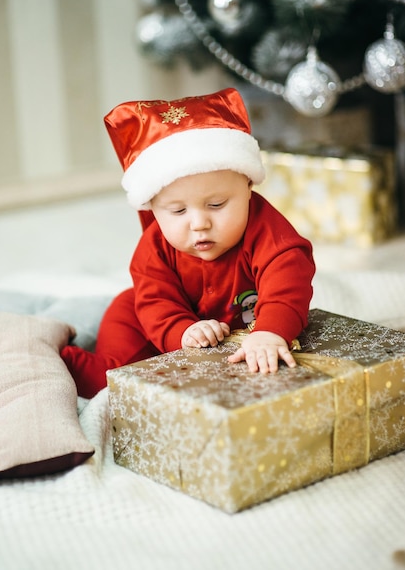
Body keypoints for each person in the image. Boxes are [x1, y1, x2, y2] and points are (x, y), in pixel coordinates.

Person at [61, 87, 315, 398]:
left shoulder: (265, 229)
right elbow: (155, 302)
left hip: (223, 333)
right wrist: (183, 331)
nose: (199, 223)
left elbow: (288, 280)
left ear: (248, 186)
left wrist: (270, 331)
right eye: (178, 210)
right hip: (145, 319)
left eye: (217, 204)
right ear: (152, 207)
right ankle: (51, 359)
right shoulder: (154, 248)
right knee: (114, 378)